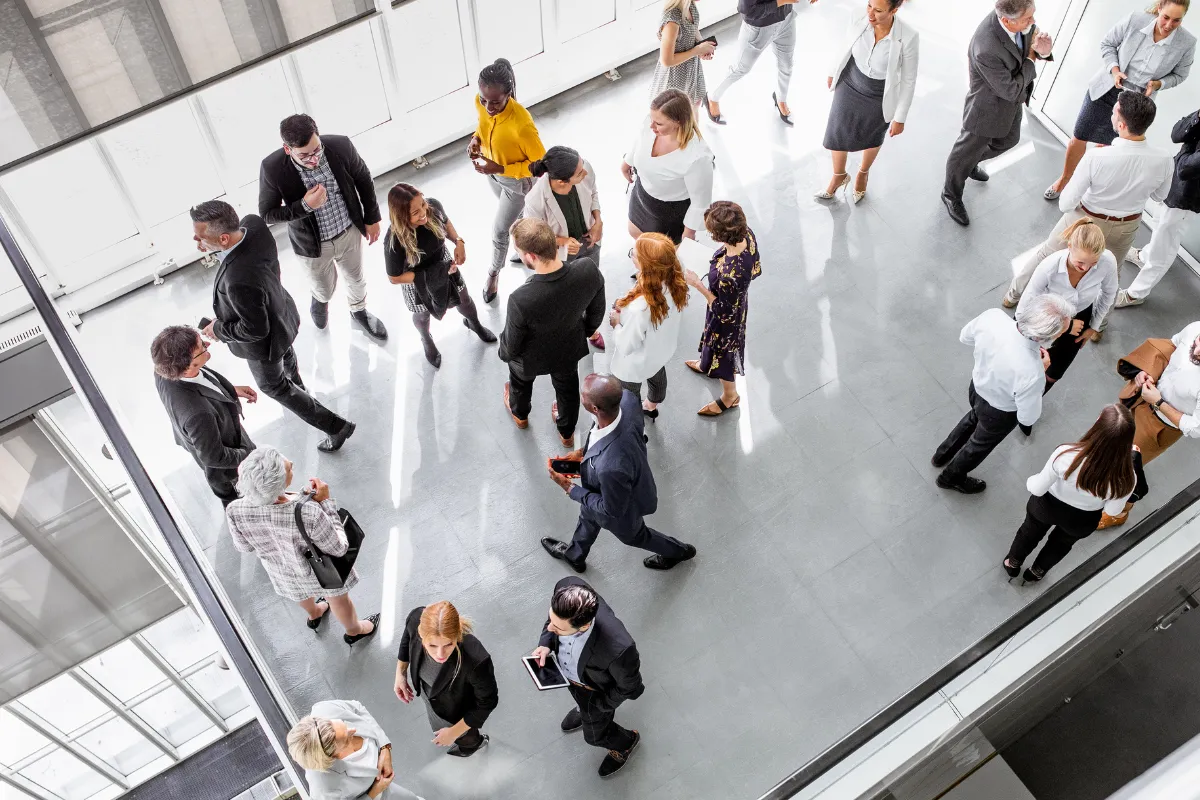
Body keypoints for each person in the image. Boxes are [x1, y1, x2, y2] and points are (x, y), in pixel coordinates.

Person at [191, 201, 356, 453]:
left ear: (224, 239)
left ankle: (336, 427)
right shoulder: (253, 225)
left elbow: (255, 330)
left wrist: (219, 330)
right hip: (282, 313)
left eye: (200, 237)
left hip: (264, 344)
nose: (197, 241)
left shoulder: (237, 280)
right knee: (286, 353)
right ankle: (299, 386)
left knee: (274, 386)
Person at [1003, 90, 1173, 310]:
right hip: (1127, 226)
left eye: (1114, 113)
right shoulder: (1165, 158)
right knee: (1113, 274)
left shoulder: (1097, 157)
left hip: (1084, 219)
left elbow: (1065, 203)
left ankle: (1013, 295)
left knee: (1046, 254)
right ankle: (1099, 326)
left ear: (1121, 125)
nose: (1111, 115)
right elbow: (1160, 196)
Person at [542, 374, 697, 572]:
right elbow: (603, 434)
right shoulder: (628, 401)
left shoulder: (610, 467)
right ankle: (575, 556)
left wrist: (570, 488)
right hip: (606, 485)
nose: (581, 399)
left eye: (583, 397)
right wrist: (582, 453)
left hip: (621, 507)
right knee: (588, 515)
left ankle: (679, 552)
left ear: (596, 408)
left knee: (635, 536)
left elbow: (611, 509)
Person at [226, 446, 379, 646]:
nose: (291, 464)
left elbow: (245, 547)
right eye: (288, 469)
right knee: (338, 600)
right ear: (279, 484)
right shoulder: (309, 513)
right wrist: (325, 503)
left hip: (282, 571)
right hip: (320, 572)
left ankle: (315, 613)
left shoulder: (234, 510)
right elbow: (339, 548)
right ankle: (355, 630)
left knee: (299, 594)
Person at [1044, 1, 1194, 201]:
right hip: (1106, 89)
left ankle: (1084, 187)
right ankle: (1065, 179)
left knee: (1108, 148)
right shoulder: (1135, 19)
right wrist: (1114, 70)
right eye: (1166, 17)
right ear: (1159, 8)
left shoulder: (1187, 42)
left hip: (1135, 103)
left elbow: (1180, 75)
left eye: (1176, 20)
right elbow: (1107, 44)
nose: (1168, 25)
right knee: (1079, 136)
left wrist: (1159, 84)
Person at [258, 114, 388, 341]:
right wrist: (305, 206)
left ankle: (359, 312)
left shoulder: (340, 145)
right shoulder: (272, 168)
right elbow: (267, 214)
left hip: (348, 231)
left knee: (356, 279)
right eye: (304, 155)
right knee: (325, 288)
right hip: (312, 246)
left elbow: (362, 177)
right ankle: (320, 301)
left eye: (317, 149)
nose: (314, 158)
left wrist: (372, 217)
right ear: (287, 149)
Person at [931, 296, 1073, 495]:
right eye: (1061, 333)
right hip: (999, 412)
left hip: (977, 388)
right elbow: (1028, 417)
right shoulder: (1033, 372)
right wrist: (1042, 371)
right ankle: (950, 477)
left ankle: (942, 454)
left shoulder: (993, 317)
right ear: (1043, 337)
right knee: (979, 445)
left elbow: (965, 337)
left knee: (972, 417)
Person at [1004, 404, 1146, 584]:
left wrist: (1031, 479)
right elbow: (1112, 511)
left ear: (1097, 425)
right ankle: (1037, 571)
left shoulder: (1066, 454)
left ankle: (1013, 563)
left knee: (1029, 533)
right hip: (1082, 520)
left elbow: (1038, 488)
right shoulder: (1126, 477)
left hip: (1047, 506)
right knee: (1061, 545)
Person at [942, 0, 1054, 226]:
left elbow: (1031, 46)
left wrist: (1044, 52)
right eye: (1028, 19)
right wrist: (1033, 59)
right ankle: (950, 194)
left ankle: (970, 163)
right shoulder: (986, 47)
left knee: (1010, 140)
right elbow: (1011, 90)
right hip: (987, 107)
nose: (1033, 22)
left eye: (1033, 16)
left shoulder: (1021, 21)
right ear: (1006, 21)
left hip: (1012, 101)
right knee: (964, 152)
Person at [498, 219, 606, 447]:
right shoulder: (587, 270)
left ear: (531, 256)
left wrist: (504, 353)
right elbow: (597, 310)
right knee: (567, 389)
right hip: (567, 348)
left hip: (529, 359)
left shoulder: (521, 299)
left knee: (519, 383)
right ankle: (566, 433)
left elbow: (512, 346)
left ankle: (520, 415)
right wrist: (585, 330)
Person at [530, 577, 644, 777]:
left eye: (558, 629)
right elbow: (551, 622)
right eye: (552, 619)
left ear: (583, 626)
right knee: (579, 698)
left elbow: (631, 687)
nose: (550, 628)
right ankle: (582, 709)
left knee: (594, 737)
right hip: (577, 680)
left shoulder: (619, 649)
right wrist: (546, 643)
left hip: (595, 693)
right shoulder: (567, 588)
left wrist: (601, 705)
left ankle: (626, 743)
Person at [383, 183, 495, 369]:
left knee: (464, 298)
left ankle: (474, 323)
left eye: (423, 205)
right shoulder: (394, 240)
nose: (424, 213)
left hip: (444, 264)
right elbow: (394, 277)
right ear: (402, 217)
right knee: (422, 314)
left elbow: (446, 222)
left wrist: (459, 241)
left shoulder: (432, 207)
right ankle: (426, 339)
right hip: (416, 279)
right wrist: (429, 277)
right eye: (415, 212)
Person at [1100, 321, 1200, 529]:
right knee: (1110, 441)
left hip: (1160, 426)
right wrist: (1145, 372)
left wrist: (1158, 402)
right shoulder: (1195, 328)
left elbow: (1195, 427)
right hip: (1141, 399)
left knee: (1126, 465)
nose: (1197, 351)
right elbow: (1172, 345)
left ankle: (1121, 511)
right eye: (1198, 343)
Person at [818, 0, 919, 204]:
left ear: (894, 10)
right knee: (836, 131)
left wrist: (900, 117)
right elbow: (845, 44)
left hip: (879, 93)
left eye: (878, 10)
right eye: (869, 6)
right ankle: (839, 175)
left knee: (871, 134)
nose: (870, 14)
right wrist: (832, 70)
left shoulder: (908, 37)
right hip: (850, 80)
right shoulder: (857, 15)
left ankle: (863, 172)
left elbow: (909, 79)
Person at [468, 58, 547, 304]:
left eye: (495, 102)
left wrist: (501, 167)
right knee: (519, 218)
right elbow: (483, 126)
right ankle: (524, 248)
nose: (488, 106)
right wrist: (475, 140)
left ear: (508, 94)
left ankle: (493, 273)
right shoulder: (481, 102)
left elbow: (540, 167)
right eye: (484, 100)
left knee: (500, 230)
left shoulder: (522, 125)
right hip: (491, 174)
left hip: (515, 182)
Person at [151, 325, 256, 507]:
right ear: (187, 367)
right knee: (239, 501)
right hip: (229, 468)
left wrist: (230, 391)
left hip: (213, 431)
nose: (208, 343)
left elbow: (203, 383)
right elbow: (214, 457)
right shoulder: (198, 415)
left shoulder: (164, 370)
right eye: (202, 348)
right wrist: (249, 455)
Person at [1014, 219, 1118, 392]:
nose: (1086, 268)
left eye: (1093, 263)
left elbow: (1109, 293)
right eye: (1081, 262)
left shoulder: (1108, 261)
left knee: (1055, 372)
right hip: (1047, 316)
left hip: (1081, 315)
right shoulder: (1049, 266)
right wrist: (1065, 325)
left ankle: (1036, 397)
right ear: (1069, 246)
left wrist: (1094, 326)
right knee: (1027, 362)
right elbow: (1024, 308)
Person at [683, 201, 761, 417]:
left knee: (724, 351)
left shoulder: (730, 274)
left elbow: (721, 310)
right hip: (735, 302)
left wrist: (697, 284)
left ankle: (730, 396)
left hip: (726, 316)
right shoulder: (747, 234)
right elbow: (755, 268)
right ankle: (707, 363)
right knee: (711, 338)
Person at [523, 145, 605, 350]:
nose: (584, 171)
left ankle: (591, 329)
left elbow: (593, 193)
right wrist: (562, 242)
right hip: (561, 254)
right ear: (561, 181)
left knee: (590, 286)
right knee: (566, 294)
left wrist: (598, 221)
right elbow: (534, 235)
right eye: (579, 173)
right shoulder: (534, 200)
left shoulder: (585, 170)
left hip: (590, 242)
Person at [1117, 108, 1200, 308]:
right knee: (1159, 224)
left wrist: (1186, 149)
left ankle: (1136, 294)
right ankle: (1145, 257)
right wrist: (1197, 118)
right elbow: (1176, 134)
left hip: (1188, 195)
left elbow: (1186, 168)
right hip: (1175, 185)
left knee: (1165, 242)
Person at [394, 601, 498, 758]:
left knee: (465, 736)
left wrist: (453, 733)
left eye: (449, 644)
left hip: (456, 709)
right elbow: (407, 640)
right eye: (432, 646)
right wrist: (400, 674)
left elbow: (488, 702)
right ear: (421, 635)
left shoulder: (476, 660)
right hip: (432, 696)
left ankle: (472, 744)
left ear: (457, 635)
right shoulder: (416, 618)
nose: (440, 654)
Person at [609, 233, 690, 417]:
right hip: (662, 349)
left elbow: (626, 346)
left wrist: (616, 324)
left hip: (635, 363)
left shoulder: (641, 308)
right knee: (657, 374)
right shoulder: (676, 276)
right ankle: (652, 405)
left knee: (628, 393)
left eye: (634, 255)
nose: (631, 256)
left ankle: (635, 418)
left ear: (647, 266)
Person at [622, 89, 715, 244]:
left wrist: (688, 233)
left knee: (662, 252)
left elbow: (701, 203)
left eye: (658, 123)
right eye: (652, 118)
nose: (651, 125)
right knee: (636, 233)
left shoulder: (697, 157)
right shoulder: (651, 123)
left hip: (669, 212)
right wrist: (628, 161)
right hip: (642, 195)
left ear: (678, 122)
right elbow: (639, 141)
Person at [706, 0, 816, 125]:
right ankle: (712, 98)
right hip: (759, 28)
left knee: (787, 65)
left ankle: (781, 99)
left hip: (786, 19)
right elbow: (747, 10)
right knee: (740, 69)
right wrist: (782, 1)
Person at [288, 700, 424, 799]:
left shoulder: (325, 709)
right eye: (346, 739)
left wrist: (384, 747)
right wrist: (374, 793)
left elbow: (357, 708)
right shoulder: (323, 787)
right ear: (332, 757)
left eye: (343, 725)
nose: (353, 730)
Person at [649, 0, 715, 108]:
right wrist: (696, 50)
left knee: (695, 103)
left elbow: (692, 28)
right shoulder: (672, 21)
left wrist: (701, 44)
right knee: (679, 113)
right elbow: (666, 60)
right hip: (675, 76)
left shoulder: (690, 5)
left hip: (691, 68)